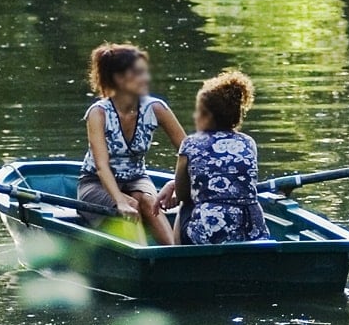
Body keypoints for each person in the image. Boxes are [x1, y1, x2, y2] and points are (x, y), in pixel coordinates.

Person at [78, 43, 186, 245]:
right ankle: (143, 258)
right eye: (138, 73)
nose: (145, 78)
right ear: (119, 79)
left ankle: (173, 254)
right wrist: (119, 199)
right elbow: (101, 166)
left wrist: (177, 184)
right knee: (131, 204)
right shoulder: (98, 113)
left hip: (137, 178)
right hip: (96, 183)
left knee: (147, 201)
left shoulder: (156, 108)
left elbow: (190, 152)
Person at [172, 69, 270, 245]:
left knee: (184, 205)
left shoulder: (190, 143)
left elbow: (181, 194)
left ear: (208, 116)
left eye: (198, 111)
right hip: (252, 230)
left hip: (210, 232)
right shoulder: (249, 142)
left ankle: (178, 259)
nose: (195, 116)